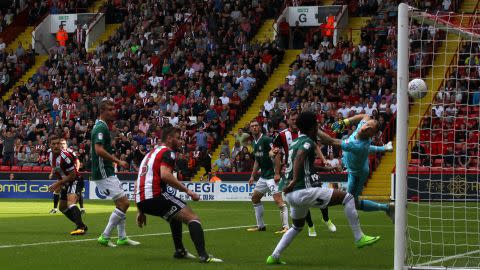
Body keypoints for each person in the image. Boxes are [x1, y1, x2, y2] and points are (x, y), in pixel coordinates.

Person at [266, 111, 380, 265]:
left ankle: (274, 256)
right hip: (303, 191)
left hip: (292, 196)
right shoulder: (308, 142)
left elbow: (306, 163)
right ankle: (359, 237)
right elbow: (301, 157)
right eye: (316, 124)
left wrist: (323, 170)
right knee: (348, 198)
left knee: (297, 227)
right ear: (313, 126)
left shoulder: (296, 141)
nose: (318, 126)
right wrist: (294, 180)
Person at [135, 127, 222, 263]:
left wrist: (140, 210)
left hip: (142, 200)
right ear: (169, 138)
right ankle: (204, 255)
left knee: (175, 216)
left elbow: (138, 181)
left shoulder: (149, 154)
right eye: (178, 137)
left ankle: (180, 250)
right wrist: (188, 191)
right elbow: (165, 175)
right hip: (155, 195)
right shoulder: (168, 153)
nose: (181, 141)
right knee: (192, 218)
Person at [317, 114, 394, 221]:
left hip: (357, 174)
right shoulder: (362, 129)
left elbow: (331, 141)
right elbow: (365, 115)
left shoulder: (358, 144)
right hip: (355, 165)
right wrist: (345, 122)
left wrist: (314, 129)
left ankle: (386, 208)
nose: (365, 127)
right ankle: (384, 148)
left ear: (371, 134)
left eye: (369, 128)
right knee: (351, 200)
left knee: (352, 202)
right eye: (367, 124)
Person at [273, 112, 336, 237]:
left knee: (317, 189)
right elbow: (275, 150)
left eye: (297, 119)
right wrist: (274, 155)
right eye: (292, 119)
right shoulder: (282, 135)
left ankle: (326, 218)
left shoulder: (307, 131)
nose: (295, 121)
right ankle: (311, 226)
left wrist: (323, 160)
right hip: (294, 169)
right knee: (303, 200)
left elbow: (315, 146)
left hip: (309, 167)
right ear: (288, 121)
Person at [92, 100, 140, 247]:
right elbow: (98, 150)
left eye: (114, 109)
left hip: (107, 170)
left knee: (121, 203)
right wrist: (118, 161)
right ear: (102, 111)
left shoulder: (103, 126)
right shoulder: (101, 128)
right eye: (110, 109)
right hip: (103, 171)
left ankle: (122, 237)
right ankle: (105, 236)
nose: (114, 111)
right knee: (124, 203)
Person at [247, 120, 289, 234]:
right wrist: (252, 176)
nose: (254, 128)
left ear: (260, 127)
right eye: (252, 126)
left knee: (278, 200)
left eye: (256, 126)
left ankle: (286, 227)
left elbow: (277, 154)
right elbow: (257, 160)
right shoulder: (254, 142)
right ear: (250, 129)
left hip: (271, 176)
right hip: (264, 176)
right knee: (255, 198)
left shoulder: (266, 139)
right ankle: (261, 226)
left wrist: (277, 173)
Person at [47, 135, 88, 235]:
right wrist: (60, 182)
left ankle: (80, 227)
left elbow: (73, 175)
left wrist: (58, 183)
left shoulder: (65, 157)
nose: (56, 146)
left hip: (75, 180)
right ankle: (81, 224)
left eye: (58, 143)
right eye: (54, 144)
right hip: (66, 181)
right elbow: (58, 170)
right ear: (50, 145)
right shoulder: (50, 155)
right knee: (62, 207)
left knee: (71, 202)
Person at [60, 138, 85, 213]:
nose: (62, 145)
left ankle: (81, 208)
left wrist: (76, 171)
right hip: (65, 176)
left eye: (64, 144)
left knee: (78, 193)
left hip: (74, 175)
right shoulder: (58, 154)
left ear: (66, 145)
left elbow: (77, 161)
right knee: (64, 190)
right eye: (61, 144)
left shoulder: (70, 152)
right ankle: (64, 207)